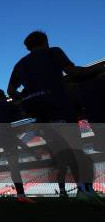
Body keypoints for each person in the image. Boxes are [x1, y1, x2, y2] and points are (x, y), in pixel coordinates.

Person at [7, 31, 103, 205]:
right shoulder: (53, 52)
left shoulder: (19, 64)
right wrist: (99, 68)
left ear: (28, 47)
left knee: (62, 151)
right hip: (56, 104)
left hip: (36, 110)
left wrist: (25, 98)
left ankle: (76, 189)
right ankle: (84, 191)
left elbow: (11, 91)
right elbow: (72, 71)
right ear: (45, 41)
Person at [0, 89, 35, 204]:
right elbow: (21, 114)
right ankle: (21, 195)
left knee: (14, 160)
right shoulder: (8, 105)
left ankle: (34, 154)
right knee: (15, 162)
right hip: (7, 135)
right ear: (4, 96)